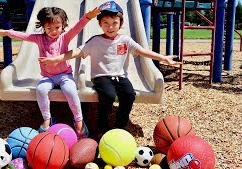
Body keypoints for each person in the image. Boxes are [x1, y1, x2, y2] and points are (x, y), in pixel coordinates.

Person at [39, 1, 181, 138]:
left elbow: (143, 51)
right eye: (106, 23)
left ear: (120, 23)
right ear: (100, 24)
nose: (110, 27)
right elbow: (76, 52)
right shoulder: (95, 41)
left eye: (114, 23)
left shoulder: (125, 40)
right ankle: (102, 126)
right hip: (101, 76)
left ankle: (120, 125)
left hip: (120, 76)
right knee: (108, 95)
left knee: (129, 95)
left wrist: (163, 58)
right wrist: (56, 59)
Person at [0, 7, 100, 139]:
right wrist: (7, 32)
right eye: (49, 28)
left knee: (70, 90)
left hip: (64, 75)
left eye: (57, 27)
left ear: (62, 25)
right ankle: (47, 119)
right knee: (41, 89)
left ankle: (79, 121)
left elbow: (77, 28)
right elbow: (23, 36)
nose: (54, 31)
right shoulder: (39, 39)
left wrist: (88, 17)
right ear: (43, 27)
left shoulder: (64, 38)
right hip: (48, 77)